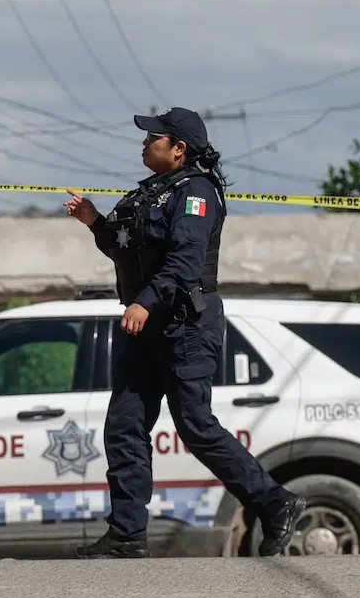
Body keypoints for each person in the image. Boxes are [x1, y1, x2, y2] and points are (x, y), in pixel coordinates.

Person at [63, 106, 305, 559]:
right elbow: (124, 249)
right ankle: (127, 534)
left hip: (183, 324)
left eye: (152, 136)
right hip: (147, 326)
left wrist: (143, 302)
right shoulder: (150, 193)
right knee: (124, 425)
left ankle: (276, 504)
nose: (143, 141)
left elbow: (185, 263)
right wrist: (94, 221)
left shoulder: (197, 193)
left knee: (195, 426)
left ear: (178, 149)